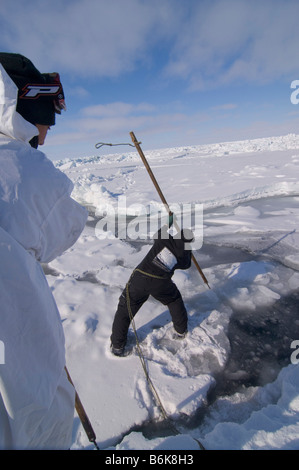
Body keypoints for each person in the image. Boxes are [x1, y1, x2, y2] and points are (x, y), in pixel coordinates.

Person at [0, 53, 88, 449]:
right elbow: (67, 226)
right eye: (49, 116)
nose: (49, 131)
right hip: (17, 389)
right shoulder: (21, 167)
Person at [110, 217, 194, 356]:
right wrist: (188, 249)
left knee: (125, 310)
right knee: (174, 301)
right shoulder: (182, 256)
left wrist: (169, 222)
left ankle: (118, 346)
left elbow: (160, 232)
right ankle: (181, 330)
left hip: (139, 279)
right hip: (161, 283)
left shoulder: (164, 239)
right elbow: (187, 265)